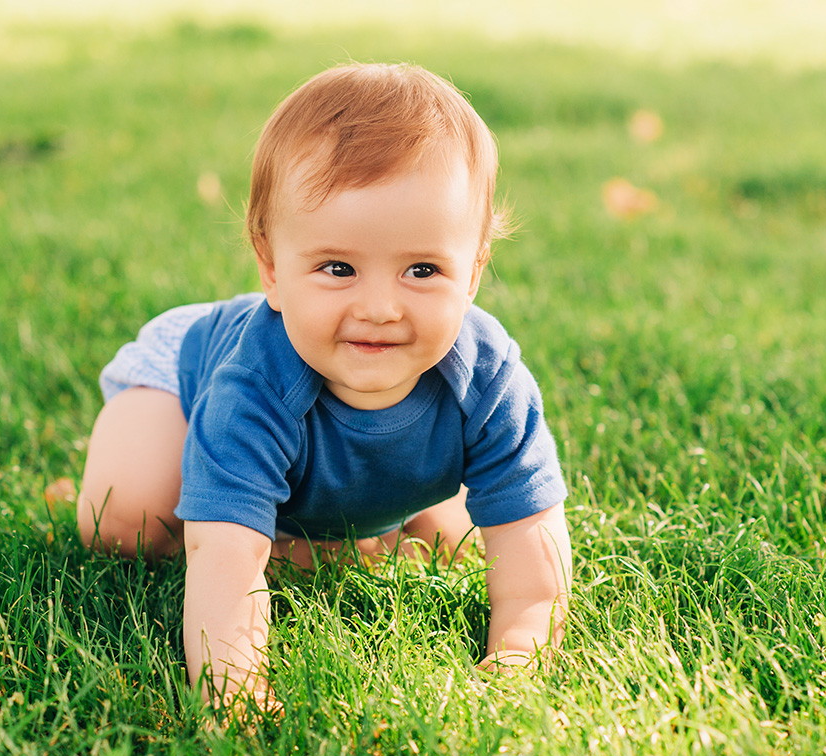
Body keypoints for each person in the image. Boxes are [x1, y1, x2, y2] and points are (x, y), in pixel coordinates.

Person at [77, 62, 572, 713]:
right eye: (338, 268)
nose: (379, 308)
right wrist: (238, 693)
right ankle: (291, 527)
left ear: (475, 270)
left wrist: (516, 660)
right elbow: (222, 560)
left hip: (349, 438)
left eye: (422, 270)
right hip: (185, 381)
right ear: (272, 268)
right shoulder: (252, 386)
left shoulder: (489, 381)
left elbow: (533, 555)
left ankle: (346, 531)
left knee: (463, 540)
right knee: (125, 522)